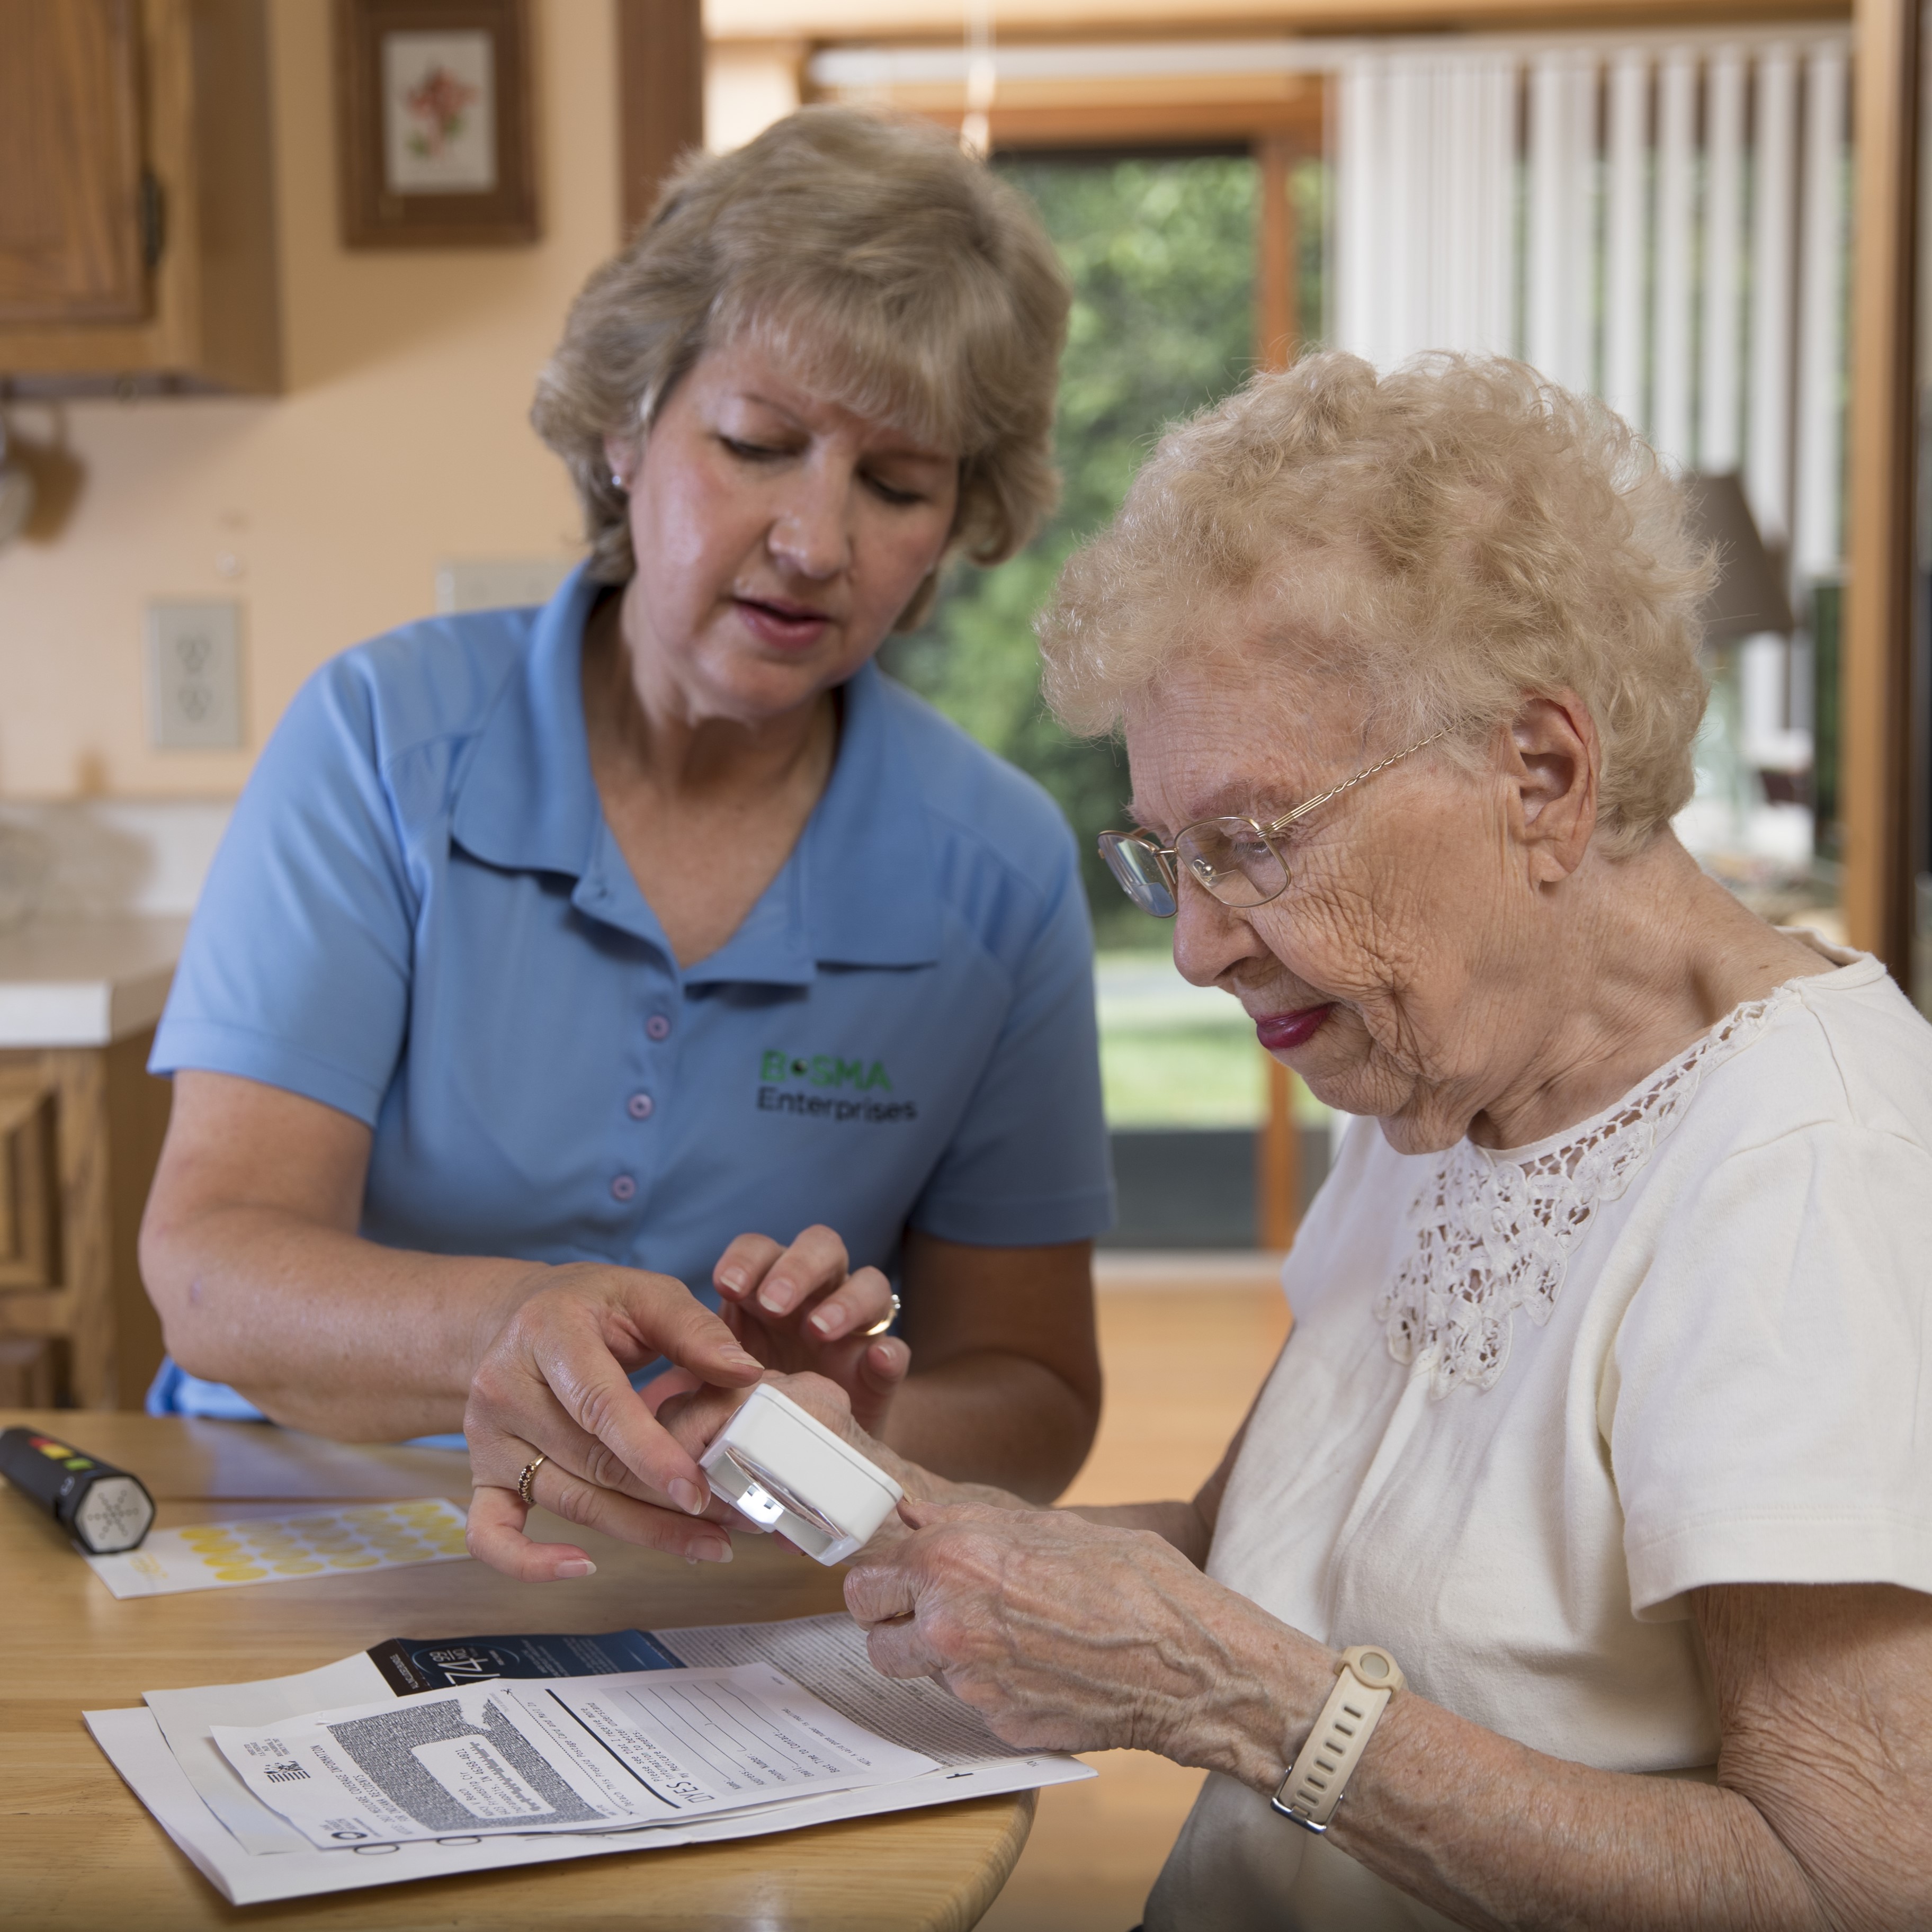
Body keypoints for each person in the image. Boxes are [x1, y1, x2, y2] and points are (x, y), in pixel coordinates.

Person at [668, 354, 1932, 1927]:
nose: (1195, 946)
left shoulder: (1807, 1164)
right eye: (1168, 857)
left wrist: (1259, 1712)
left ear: (1540, 775)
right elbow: (1244, 1552)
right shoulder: (1435, 1076)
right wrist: (873, 1488)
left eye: (1252, 843)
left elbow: (1855, 1886)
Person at [138, 108, 1112, 1584]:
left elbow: (1034, 1397)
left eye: (897, 485)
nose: (815, 540)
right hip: (296, 1526)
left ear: (956, 526)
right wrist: (505, 1329)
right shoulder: (382, 744)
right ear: (624, 425)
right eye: (759, 445)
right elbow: (212, 1268)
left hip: (716, 1568)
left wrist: (840, 1434)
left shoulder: (999, 866)